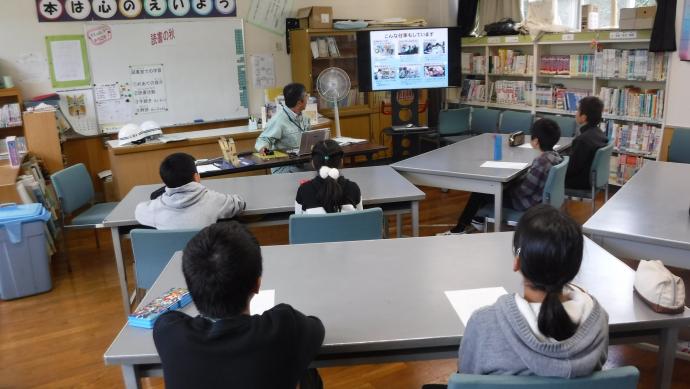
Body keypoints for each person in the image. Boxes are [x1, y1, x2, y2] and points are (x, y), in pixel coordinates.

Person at [153, 222, 325, 389]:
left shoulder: (168, 332)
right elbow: (316, 329)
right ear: (257, 284)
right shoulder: (284, 325)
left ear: (191, 288)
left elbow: (169, 319)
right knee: (309, 373)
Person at [458, 204, 609, 377]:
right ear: (574, 268)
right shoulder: (599, 322)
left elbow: (466, 377)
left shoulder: (484, 323)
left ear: (517, 261)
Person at [438, 118, 563, 235]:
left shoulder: (541, 162)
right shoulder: (555, 156)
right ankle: (478, 218)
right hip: (538, 199)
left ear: (535, 141)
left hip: (526, 203)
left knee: (481, 190)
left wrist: (508, 184)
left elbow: (523, 191)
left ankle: (460, 228)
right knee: (488, 189)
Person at [135, 152, 246, 229]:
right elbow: (239, 204)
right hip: (203, 259)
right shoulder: (213, 199)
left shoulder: (155, 208)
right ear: (196, 177)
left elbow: (138, 211)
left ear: (165, 182)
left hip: (170, 261)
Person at [255, 83, 311, 174]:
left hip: (302, 163)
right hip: (285, 167)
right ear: (299, 102)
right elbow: (261, 142)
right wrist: (272, 156)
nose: (307, 98)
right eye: (306, 96)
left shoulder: (305, 118)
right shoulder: (278, 120)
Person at [295, 139, 362, 214]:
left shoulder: (304, 190)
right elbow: (361, 220)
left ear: (313, 163)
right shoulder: (353, 188)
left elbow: (298, 223)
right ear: (341, 162)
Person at [564, 96, 609, 190]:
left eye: (577, 111)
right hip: (592, 179)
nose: (576, 114)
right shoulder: (599, 133)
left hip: (580, 182)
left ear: (583, 117)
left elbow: (571, 169)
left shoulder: (582, 140)